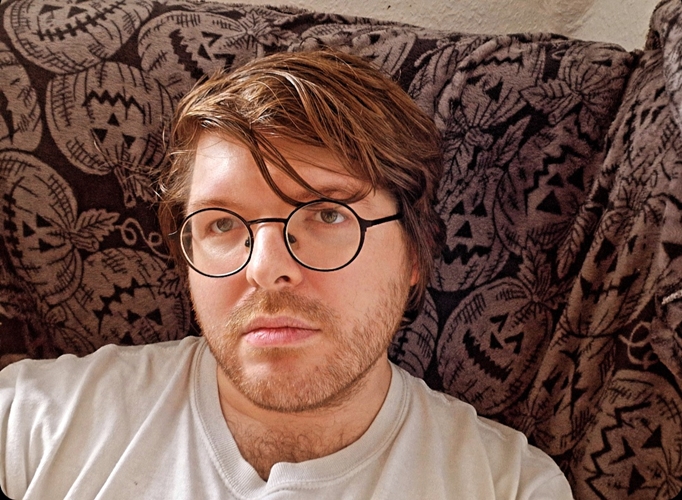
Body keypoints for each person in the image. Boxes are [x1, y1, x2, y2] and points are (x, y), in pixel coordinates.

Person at [0, 49, 573, 499]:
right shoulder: (30, 426)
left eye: (328, 214)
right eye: (222, 224)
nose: (265, 267)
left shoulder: (509, 486)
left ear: (416, 254)